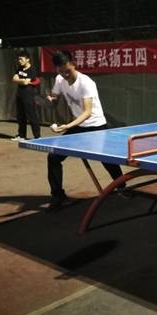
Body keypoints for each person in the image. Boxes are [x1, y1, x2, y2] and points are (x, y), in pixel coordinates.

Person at [46, 50, 123, 212]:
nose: (65, 74)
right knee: (53, 157)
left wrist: (68, 126)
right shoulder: (60, 79)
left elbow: (87, 112)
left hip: (96, 126)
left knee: (107, 160)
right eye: (61, 71)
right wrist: (50, 100)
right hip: (78, 126)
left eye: (67, 71)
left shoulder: (86, 83)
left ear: (73, 64)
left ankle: (122, 187)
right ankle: (58, 196)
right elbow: (54, 98)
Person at [11, 50, 41, 140]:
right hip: (19, 95)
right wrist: (22, 80)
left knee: (32, 116)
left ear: (27, 59)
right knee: (20, 116)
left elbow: (26, 82)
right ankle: (21, 136)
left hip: (28, 95)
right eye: (18, 59)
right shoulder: (19, 68)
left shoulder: (32, 70)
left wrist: (20, 80)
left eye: (21, 59)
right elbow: (14, 79)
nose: (19, 61)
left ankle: (37, 137)